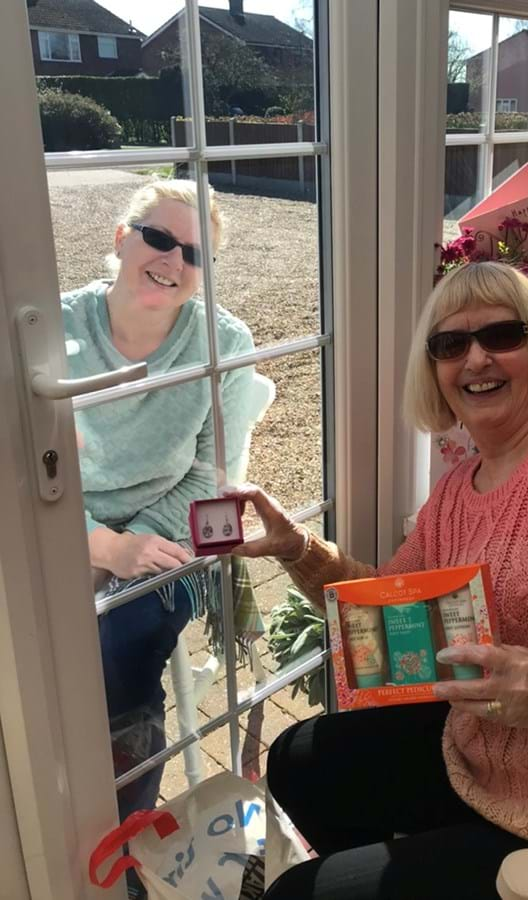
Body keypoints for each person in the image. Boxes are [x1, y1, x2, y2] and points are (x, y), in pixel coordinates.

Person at [229, 261, 528, 899]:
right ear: (434, 369)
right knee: (300, 758)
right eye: (451, 344)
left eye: (502, 336)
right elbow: (383, 614)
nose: (476, 360)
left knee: (298, 894)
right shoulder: (455, 494)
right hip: (490, 764)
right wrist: (297, 548)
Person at [61, 179, 260, 827]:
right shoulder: (54, 329)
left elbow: (214, 478)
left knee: (120, 645)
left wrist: (132, 551)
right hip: (59, 528)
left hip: (169, 533)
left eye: (194, 255)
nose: (173, 261)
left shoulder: (223, 345)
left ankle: (119, 841)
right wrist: (100, 545)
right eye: (159, 238)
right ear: (122, 239)